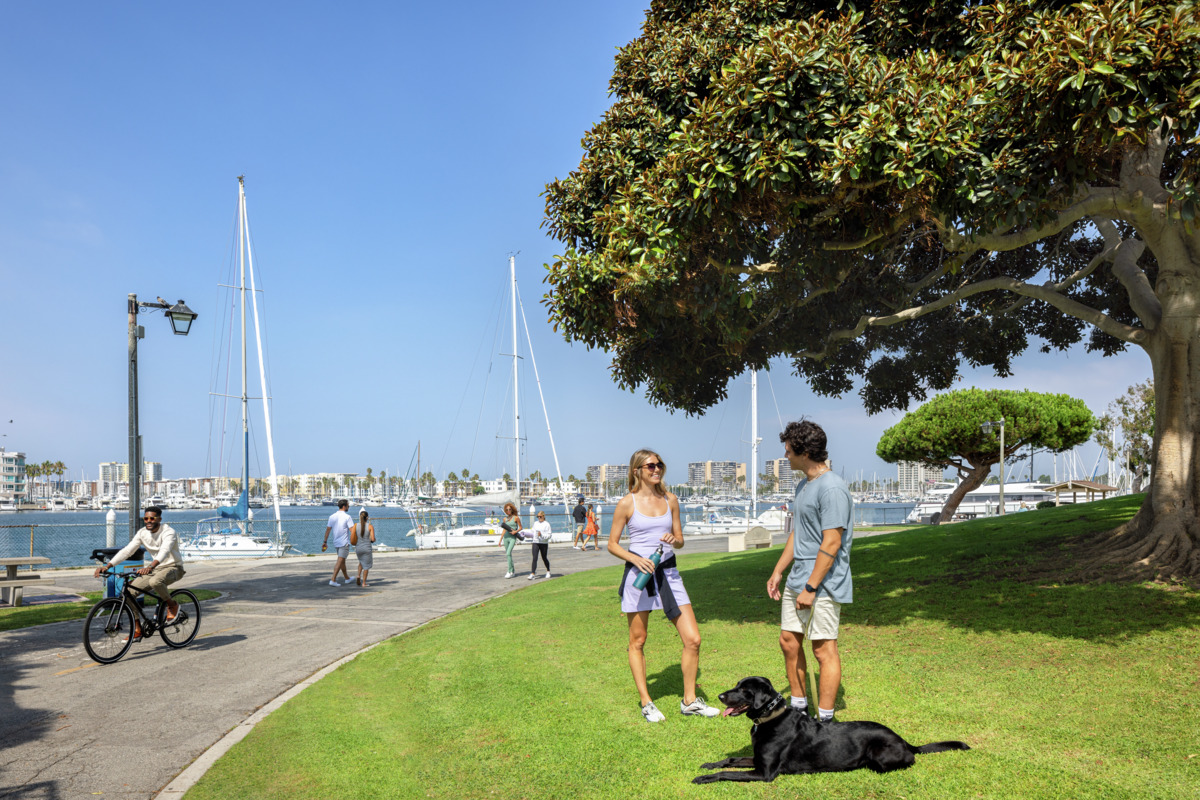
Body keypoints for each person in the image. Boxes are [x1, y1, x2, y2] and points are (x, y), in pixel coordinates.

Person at [609, 449, 719, 723]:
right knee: (638, 640)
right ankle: (646, 702)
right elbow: (611, 544)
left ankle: (690, 701)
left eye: (659, 465)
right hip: (640, 577)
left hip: (669, 575)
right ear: (637, 471)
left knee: (693, 639)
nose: (656, 469)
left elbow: (680, 540)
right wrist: (637, 559)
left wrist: (674, 539)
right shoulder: (627, 503)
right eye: (650, 466)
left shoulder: (671, 499)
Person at [766, 420, 853, 724]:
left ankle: (826, 720)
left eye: (788, 449)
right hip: (798, 579)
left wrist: (812, 587)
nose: (785, 454)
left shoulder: (832, 488)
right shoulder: (805, 484)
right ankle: (799, 706)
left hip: (824, 584)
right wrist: (778, 571)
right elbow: (798, 534)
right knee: (789, 640)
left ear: (802, 450)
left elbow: (832, 541)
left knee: (822, 649)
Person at [92, 506, 185, 639]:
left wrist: (150, 566)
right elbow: (127, 550)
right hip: (156, 568)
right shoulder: (142, 533)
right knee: (128, 594)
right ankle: (137, 629)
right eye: (146, 518)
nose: (148, 521)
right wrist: (108, 565)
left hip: (174, 567)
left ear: (159, 519)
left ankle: (172, 605)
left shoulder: (169, 532)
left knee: (155, 581)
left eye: (152, 518)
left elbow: (164, 551)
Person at [322, 499, 354, 586]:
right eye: (348, 505)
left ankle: (347, 578)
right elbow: (352, 531)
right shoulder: (347, 517)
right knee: (340, 561)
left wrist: (325, 541)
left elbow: (328, 530)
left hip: (336, 542)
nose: (348, 507)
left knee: (342, 561)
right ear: (344, 506)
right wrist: (357, 541)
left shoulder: (332, 516)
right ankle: (333, 579)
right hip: (344, 543)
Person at [351, 508, 375, 587]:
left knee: (361, 562)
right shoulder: (370, 526)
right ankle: (364, 583)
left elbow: (353, 535)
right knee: (366, 566)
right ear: (367, 518)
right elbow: (372, 539)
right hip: (367, 548)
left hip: (358, 548)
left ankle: (358, 575)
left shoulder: (355, 525)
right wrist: (373, 540)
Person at [499, 501, 522, 578]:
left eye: (509, 509)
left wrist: (515, 531)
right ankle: (513, 571)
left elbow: (520, 527)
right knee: (508, 555)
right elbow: (504, 530)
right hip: (506, 537)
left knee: (508, 553)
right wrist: (500, 539)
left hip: (512, 538)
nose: (508, 511)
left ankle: (509, 571)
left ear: (512, 510)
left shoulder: (516, 518)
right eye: (507, 509)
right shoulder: (504, 519)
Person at [528, 510, 552, 580]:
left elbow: (549, 535)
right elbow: (532, 531)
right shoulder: (535, 523)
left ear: (543, 516)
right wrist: (527, 534)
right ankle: (533, 573)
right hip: (535, 542)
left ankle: (548, 571)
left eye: (540, 516)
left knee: (544, 557)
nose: (539, 518)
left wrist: (541, 535)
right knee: (534, 558)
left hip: (543, 543)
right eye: (538, 517)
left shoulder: (547, 524)